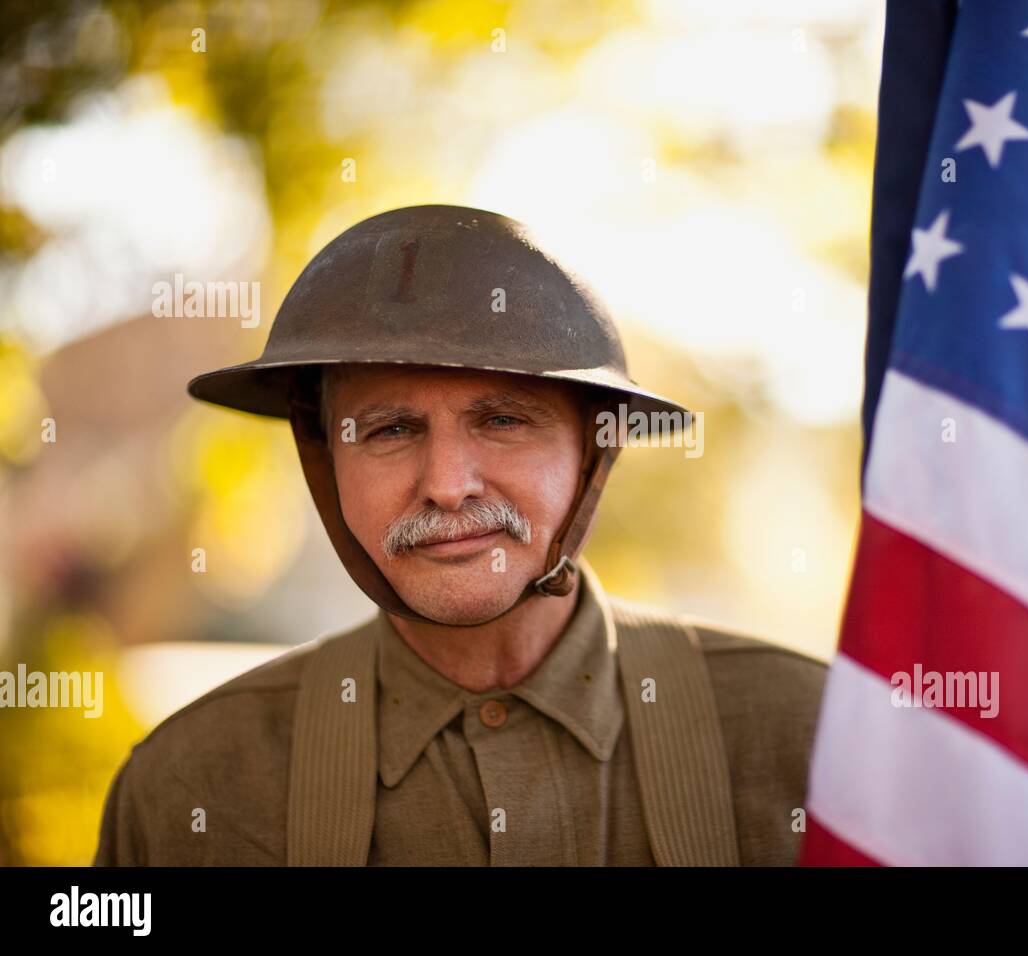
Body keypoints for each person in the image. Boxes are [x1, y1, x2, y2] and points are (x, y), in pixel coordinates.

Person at [93, 205, 828, 866]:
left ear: (593, 452)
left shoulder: (813, 742)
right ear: (326, 464)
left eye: (503, 420)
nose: (447, 484)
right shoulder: (192, 787)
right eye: (389, 429)